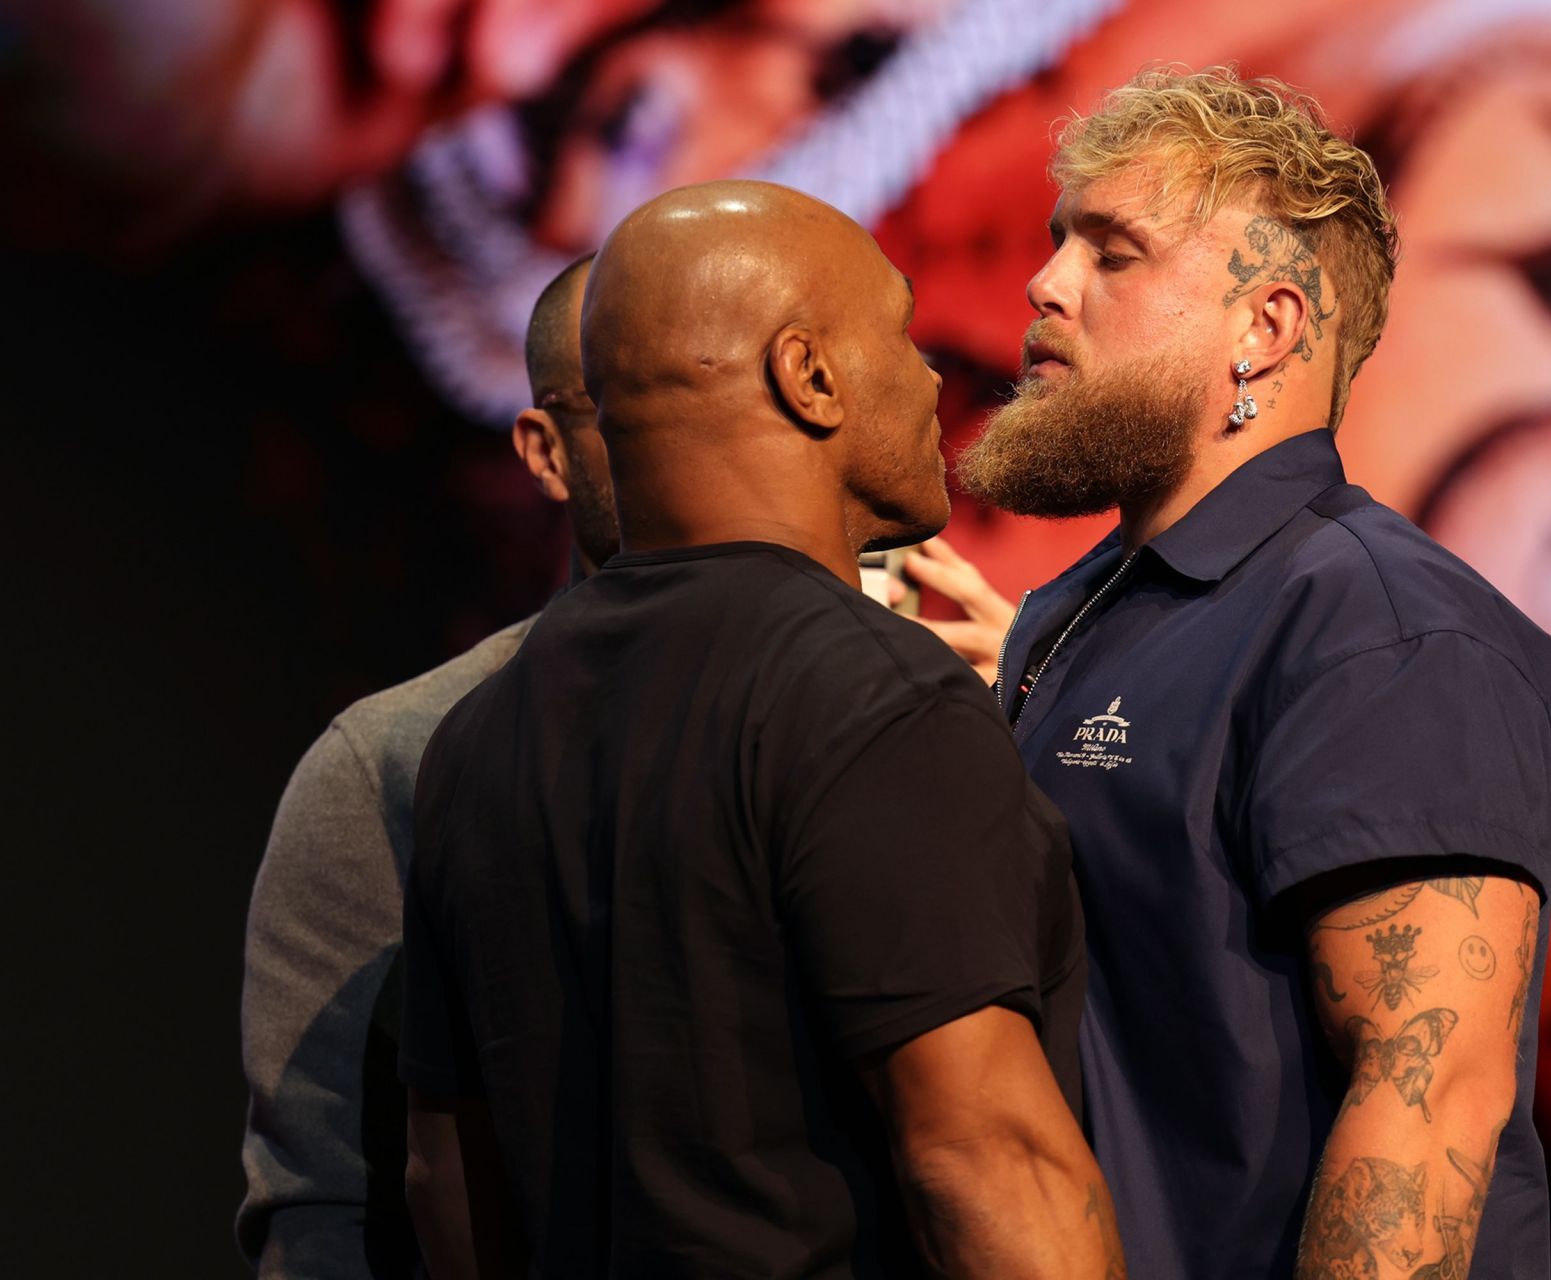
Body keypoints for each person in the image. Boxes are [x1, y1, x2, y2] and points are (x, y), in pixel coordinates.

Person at [397, 180, 1122, 1278]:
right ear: (809, 374)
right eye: (897, 331)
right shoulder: (877, 699)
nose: (930, 376)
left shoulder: (477, 735)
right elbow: (989, 1159)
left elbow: (447, 1178)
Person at [930, 67, 1551, 1278]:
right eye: (1060, 241)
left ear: (1264, 330)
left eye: (1113, 255)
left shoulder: (1386, 631)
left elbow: (1428, 1104)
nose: (1046, 284)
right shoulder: (1080, 609)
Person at [236, 254, 616, 1277]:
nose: (712, 434)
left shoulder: (925, 722)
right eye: (641, 394)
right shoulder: (396, 761)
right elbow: (325, 1204)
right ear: (549, 450)